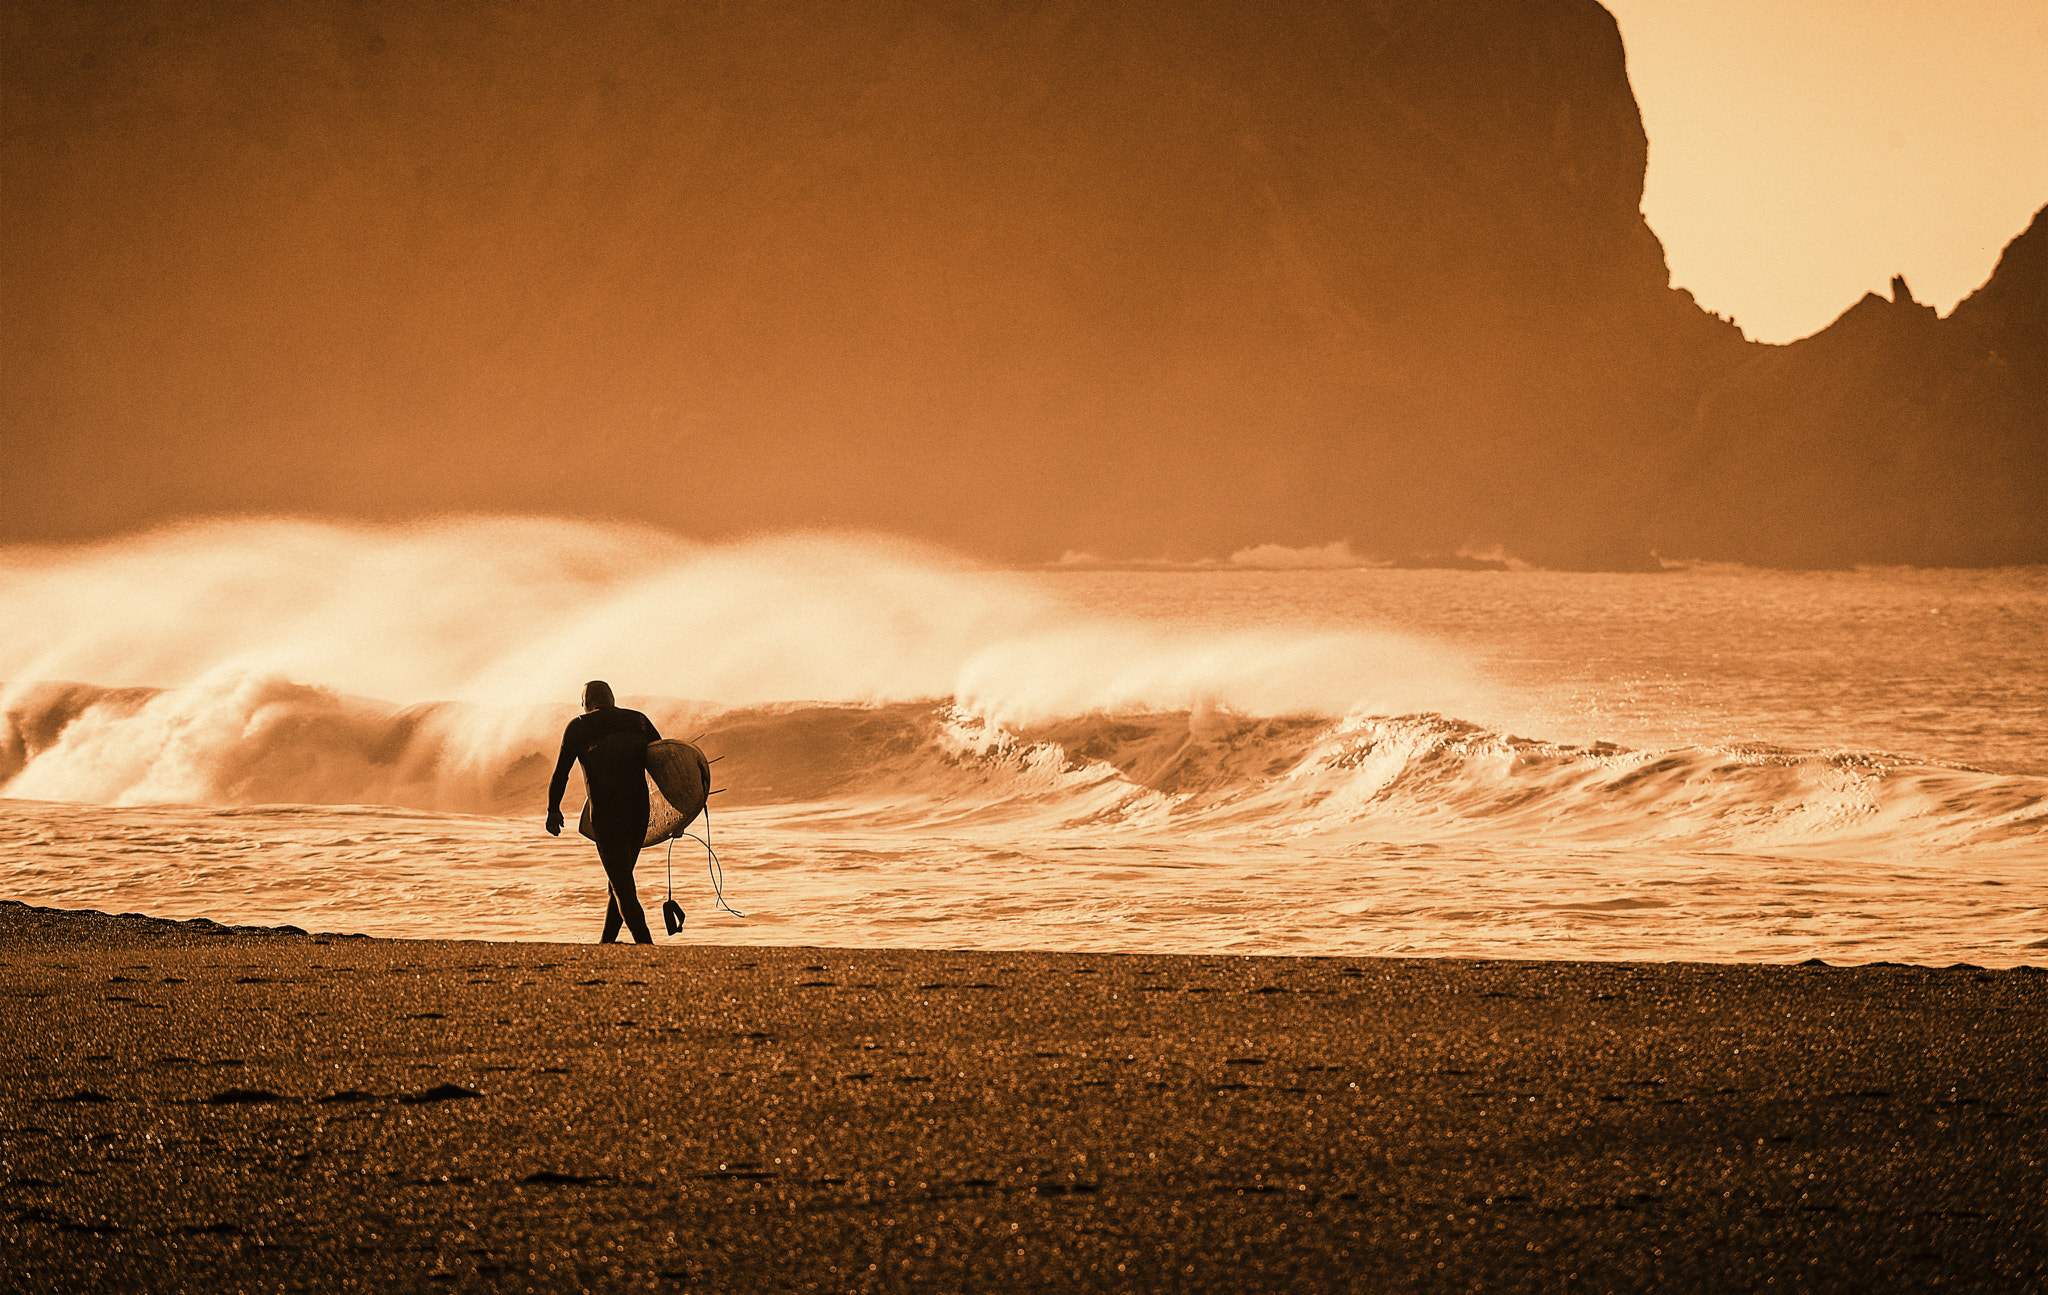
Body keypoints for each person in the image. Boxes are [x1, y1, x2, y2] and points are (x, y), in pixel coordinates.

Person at [545, 681, 663, 944]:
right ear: (611, 698)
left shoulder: (580, 726)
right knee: (619, 881)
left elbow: (561, 773)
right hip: (638, 813)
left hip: (607, 815)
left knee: (621, 884)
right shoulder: (638, 720)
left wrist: (554, 810)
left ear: (585, 703)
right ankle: (606, 943)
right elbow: (666, 762)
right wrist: (678, 812)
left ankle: (646, 944)